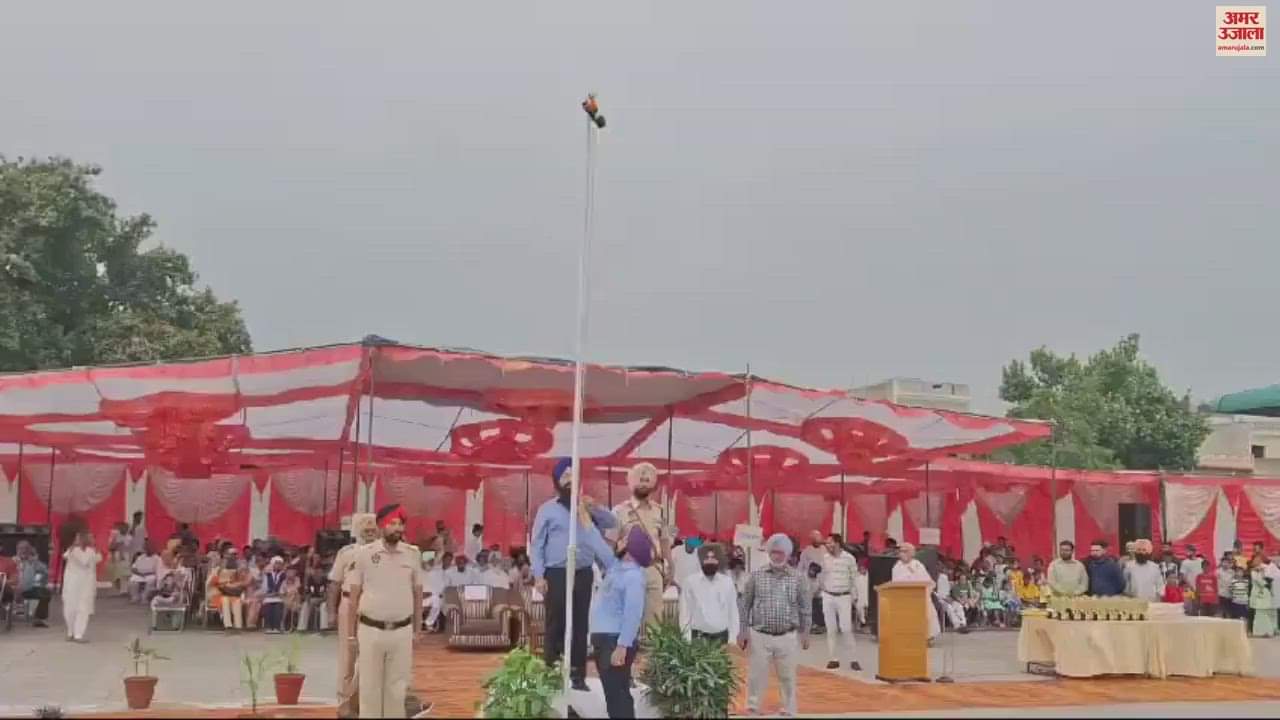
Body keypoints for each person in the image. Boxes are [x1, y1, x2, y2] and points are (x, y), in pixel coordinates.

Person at [531, 457, 618, 692]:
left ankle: (578, 677)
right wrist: (538, 575)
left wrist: (594, 507)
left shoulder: (586, 507)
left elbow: (611, 522)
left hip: (583, 573)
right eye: (565, 475)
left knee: (580, 625)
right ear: (556, 481)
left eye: (573, 475)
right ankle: (551, 674)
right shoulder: (547, 510)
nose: (570, 479)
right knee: (556, 623)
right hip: (556, 573)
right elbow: (537, 545)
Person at [347, 504, 423, 719]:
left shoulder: (412, 554)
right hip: (370, 630)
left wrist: (418, 630)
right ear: (381, 526)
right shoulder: (364, 554)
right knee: (369, 686)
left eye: (400, 524)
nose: (397, 528)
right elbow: (354, 596)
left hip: (402, 631)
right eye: (392, 523)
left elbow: (418, 594)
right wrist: (351, 634)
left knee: (397, 688)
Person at [739, 533, 810, 717]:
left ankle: (789, 708)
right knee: (756, 675)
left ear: (788, 554)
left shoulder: (798, 578)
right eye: (773, 552)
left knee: (788, 676)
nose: (776, 556)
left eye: (780, 553)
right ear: (768, 553)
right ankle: (753, 707)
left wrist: (805, 632)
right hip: (760, 635)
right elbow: (744, 605)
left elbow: (805, 607)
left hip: (787, 636)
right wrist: (743, 630)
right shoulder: (756, 576)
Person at [590, 526, 651, 719]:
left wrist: (622, 646)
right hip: (605, 639)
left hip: (615, 641)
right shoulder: (616, 567)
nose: (619, 542)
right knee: (613, 694)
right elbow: (598, 544)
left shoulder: (633, 577)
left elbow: (633, 614)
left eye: (624, 540)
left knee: (618, 695)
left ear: (630, 549)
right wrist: (587, 520)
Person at [610, 461, 674, 633]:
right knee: (628, 619)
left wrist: (671, 566)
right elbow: (610, 544)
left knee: (655, 622)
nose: (644, 483)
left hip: (654, 569)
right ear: (630, 482)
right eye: (640, 479)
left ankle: (652, 650)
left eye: (647, 480)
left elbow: (664, 540)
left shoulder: (660, 511)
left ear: (653, 483)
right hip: (628, 570)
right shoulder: (618, 511)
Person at [678, 543, 738, 645]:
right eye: (707, 558)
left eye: (713, 558)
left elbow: (733, 612)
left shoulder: (727, 582)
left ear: (718, 560)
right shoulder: (690, 582)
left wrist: (732, 639)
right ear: (701, 560)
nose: (710, 561)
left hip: (722, 638)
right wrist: (686, 640)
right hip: (698, 638)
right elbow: (685, 613)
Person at [819, 533, 860, 671]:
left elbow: (854, 578)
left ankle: (853, 659)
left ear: (837, 543)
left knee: (846, 628)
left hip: (844, 596)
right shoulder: (824, 558)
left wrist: (855, 597)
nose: (827, 545)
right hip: (828, 596)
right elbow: (821, 575)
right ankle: (833, 659)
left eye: (829, 542)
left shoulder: (849, 558)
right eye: (826, 543)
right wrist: (821, 588)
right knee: (831, 629)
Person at [892, 542, 941, 639]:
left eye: (905, 551)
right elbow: (896, 582)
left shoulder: (917, 565)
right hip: (904, 597)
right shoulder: (897, 566)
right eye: (901, 551)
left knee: (928, 610)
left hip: (920, 595)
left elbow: (926, 580)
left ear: (911, 553)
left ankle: (927, 637)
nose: (902, 554)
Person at [61, 531, 102, 642]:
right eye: (90, 538)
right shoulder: (73, 550)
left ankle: (78, 634)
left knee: (83, 609)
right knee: (70, 608)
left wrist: (96, 548)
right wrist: (74, 546)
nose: (92, 540)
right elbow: (82, 561)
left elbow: (98, 558)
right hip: (72, 584)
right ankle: (70, 632)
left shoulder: (91, 551)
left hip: (86, 585)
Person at [15, 541, 51, 627]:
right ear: (17, 550)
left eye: (26, 548)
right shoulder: (12, 560)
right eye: (21, 548)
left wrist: (35, 560)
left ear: (30, 550)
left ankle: (38, 618)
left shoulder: (33, 562)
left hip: (28, 589)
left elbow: (46, 572)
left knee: (46, 593)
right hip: (13, 589)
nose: (24, 550)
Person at [1249, 555, 1276, 637]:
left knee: (1265, 613)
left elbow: (1270, 579)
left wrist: (1263, 572)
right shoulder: (1253, 571)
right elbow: (1259, 581)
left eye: (1259, 560)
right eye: (1255, 560)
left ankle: (1267, 631)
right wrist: (1259, 572)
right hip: (1257, 593)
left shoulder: (1265, 568)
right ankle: (1257, 632)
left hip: (1265, 593)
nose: (1257, 561)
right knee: (1257, 613)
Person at [261, 556, 288, 633]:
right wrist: (268, 593)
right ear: (273, 564)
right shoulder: (267, 574)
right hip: (268, 596)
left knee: (277, 605)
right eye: (277, 563)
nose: (278, 565)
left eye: (280, 564)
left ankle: (277, 627)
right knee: (268, 605)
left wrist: (278, 593)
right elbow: (264, 587)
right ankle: (269, 627)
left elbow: (284, 587)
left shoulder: (283, 575)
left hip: (279, 596)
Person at [854, 559, 870, 628]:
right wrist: (855, 597)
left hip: (868, 596)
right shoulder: (856, 577)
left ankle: (866, 621)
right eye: (860, 568)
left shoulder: (869, 575)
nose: (862, 569)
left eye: (863, 568)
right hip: (859, 597)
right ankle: (863, 621)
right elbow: (853, 588)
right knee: (859, 606)